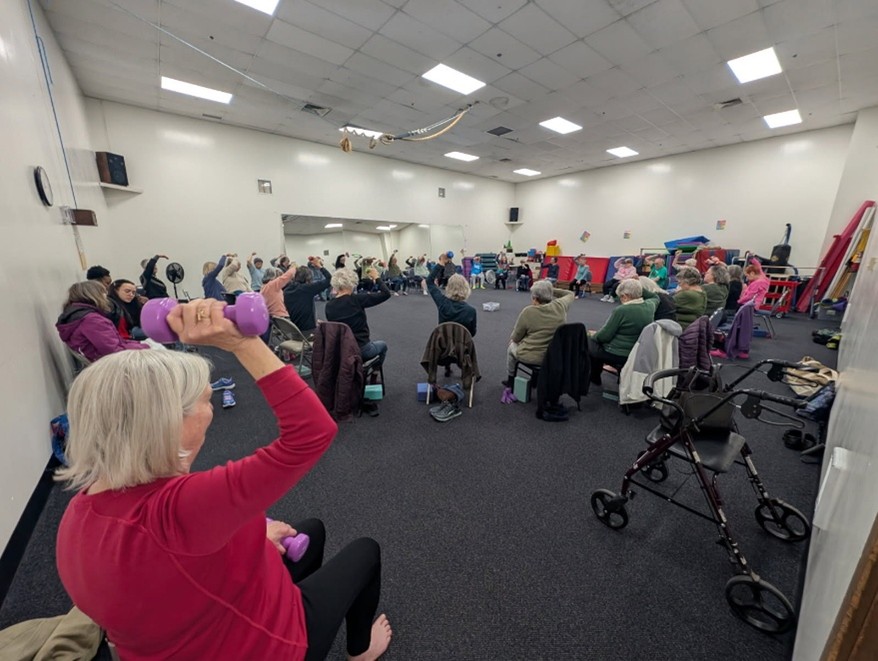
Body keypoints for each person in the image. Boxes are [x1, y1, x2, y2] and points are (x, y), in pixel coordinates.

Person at [55, 304, 392, 660]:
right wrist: (244, 343)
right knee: (365, 552)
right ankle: (361, 652)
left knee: (310, 531)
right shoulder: (180, 508)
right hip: (260, 648)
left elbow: (168, 569)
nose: (212, 409)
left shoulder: (78, 512)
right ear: (170, 425)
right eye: (206, 400)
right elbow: (312, 432)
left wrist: (254, 540)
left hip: (184, 629)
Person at [502, 281, 574, 386]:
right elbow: (570, 294)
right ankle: (536, 379)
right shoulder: (560, 305)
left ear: (535, 298)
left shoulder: (528, 312)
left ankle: (511, 380)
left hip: (531, 356)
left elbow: (516, 338)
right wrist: (548, 291)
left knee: (511, 346)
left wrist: (543, 290)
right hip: (554, 356)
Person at [56, 281, 149, 362]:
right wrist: (146, 347)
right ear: (94, 295)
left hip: (105, 360)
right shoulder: (91, 320)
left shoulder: (80, 315)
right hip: (110, 362)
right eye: (103, 292)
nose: (106, 296)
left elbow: (115, 343)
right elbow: (114, 350)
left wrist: (139, 345)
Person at [588, 279, 658, 384]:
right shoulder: (650, 305)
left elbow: (604, 336)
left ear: (625, 296)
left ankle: (594, 377)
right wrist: (636, 287)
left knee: (590, 341)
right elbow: (655, 296)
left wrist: (592, 335)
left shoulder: (621, 310)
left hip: (616, 353)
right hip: (635, 352)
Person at [325, 267, 391, 366]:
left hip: (341, 350)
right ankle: (374, 373)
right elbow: (386, 293)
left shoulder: (329, 305)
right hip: (361, 349)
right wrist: (376, 277)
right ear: (353, 283)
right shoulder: (357, 299)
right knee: (383, 345)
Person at [428, 255, 477, 338]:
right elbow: (471, 333)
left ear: (448, 287)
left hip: (443, 344)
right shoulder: (471, 311)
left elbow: (429, 282)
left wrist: (440, 264)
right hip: (462, 346)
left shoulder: (442, 303)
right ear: (466, 288)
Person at [283, 263, 333, 334]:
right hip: (308, 331)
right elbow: (330, 279)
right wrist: (320, 266)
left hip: (294, 331)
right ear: (308, 278)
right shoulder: (307, 289)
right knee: (331, 332)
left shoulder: (287, 290)